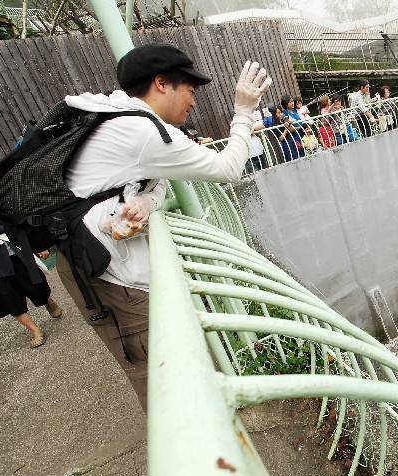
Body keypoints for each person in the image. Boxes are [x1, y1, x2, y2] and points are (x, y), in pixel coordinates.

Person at [55, 43, 272, 411]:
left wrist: (143, 203)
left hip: (101, 262)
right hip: (109, 278)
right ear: (161, 83)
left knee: (174, 360)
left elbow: (155, 186)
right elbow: (227, 169)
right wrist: (243, 113)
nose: (194, 102)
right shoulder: (140, 132)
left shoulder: (121, 119)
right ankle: (194, 452)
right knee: (160, 370)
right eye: (190, 90)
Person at [0, 228, 63, 348]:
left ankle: (46, 300)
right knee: (8, 298)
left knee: (37, 285)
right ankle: (35, 331)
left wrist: (38, 246)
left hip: (14, 248)